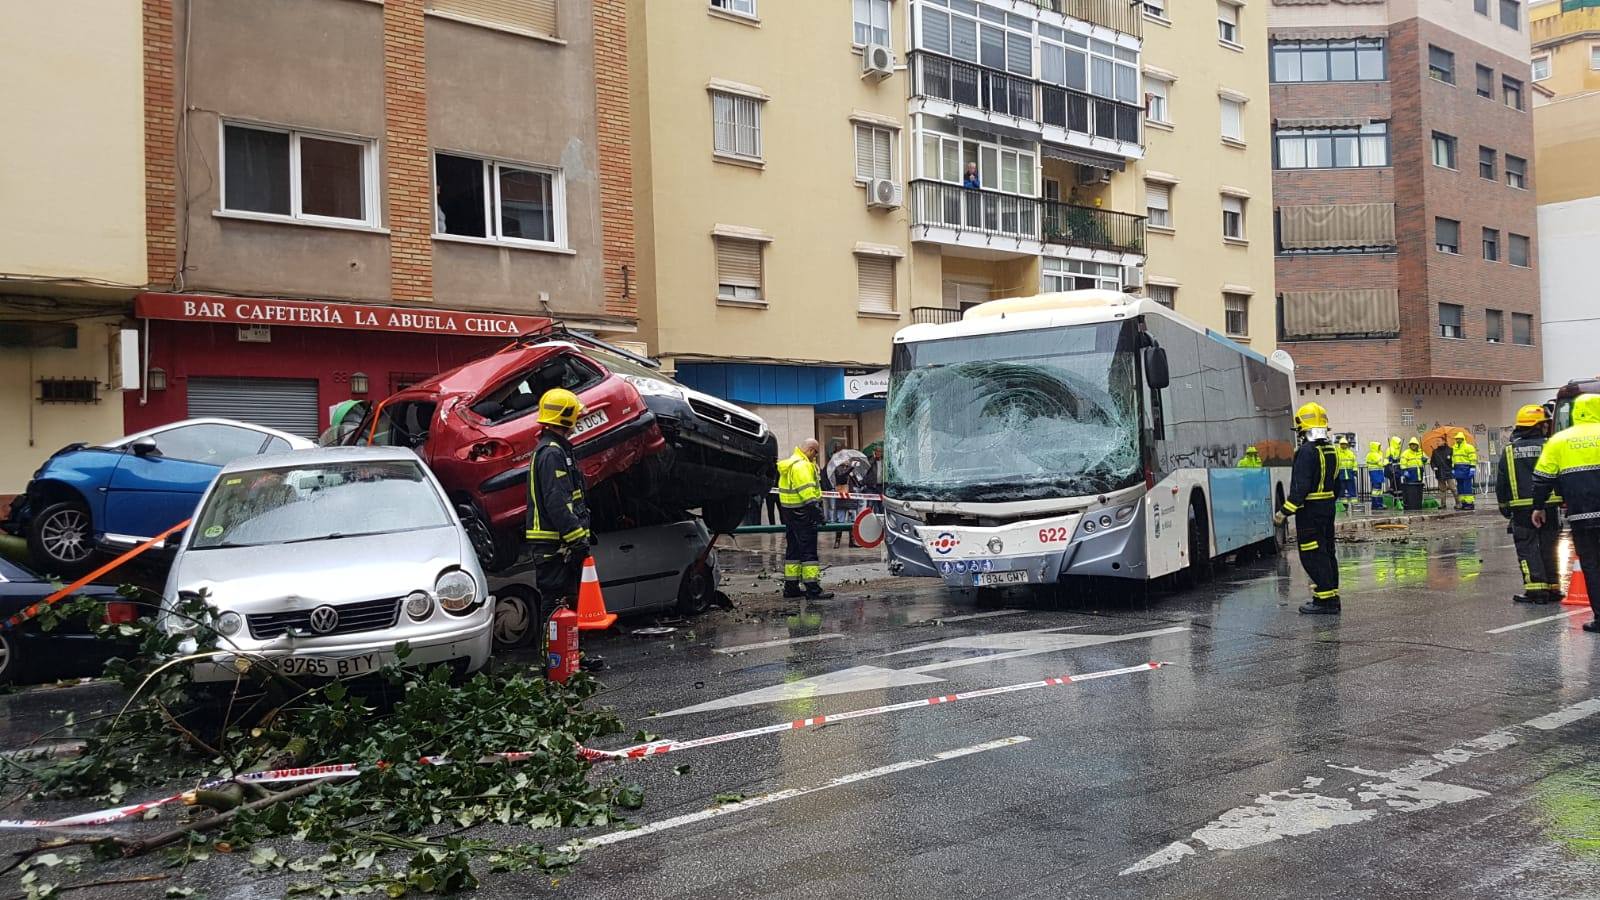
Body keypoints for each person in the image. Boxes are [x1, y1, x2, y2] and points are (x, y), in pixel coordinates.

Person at [1533, 394, 1600, 631]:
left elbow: (1542, 479)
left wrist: (1538, 506)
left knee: (1591, 564)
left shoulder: (1560, 440)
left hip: (1582, 516)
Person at [523, 388, 593, 611]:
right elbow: (557, 502)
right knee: (556, 608)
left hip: (558, 547)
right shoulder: (552, 453)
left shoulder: (555, 450)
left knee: (566, 609)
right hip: (555, 548)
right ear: (566, 416)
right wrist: (577, 539)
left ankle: (565, 647)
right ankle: (551, 647)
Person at [1275, 402, 1341, 615]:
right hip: (1327, 508)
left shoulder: (1305, 452)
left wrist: (1284, 512)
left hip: (1309, 512)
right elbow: (1337, 484)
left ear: (1304, 429)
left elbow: (1300, 487)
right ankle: (1331, 596)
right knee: (1327, 551)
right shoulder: (1332, 450)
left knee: (1313, 554)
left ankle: (1324, 601)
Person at [1498, 405, 1562, 605]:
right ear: (1540, 425)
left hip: (1521, 510)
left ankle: (1536, 591)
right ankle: (1553, 587)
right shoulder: (1550, 445)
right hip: (1550, 506)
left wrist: (1504, 507)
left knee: (1527, 549)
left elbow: (1502, 483)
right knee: (1549, 547)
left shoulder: (1509, 451)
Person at [778, 439, 833, 599]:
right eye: (815, 453)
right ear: (810, 450)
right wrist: (819, 515)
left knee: (793, 552)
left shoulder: (790, 464)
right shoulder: (802, 466)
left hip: (789, 513)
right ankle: (812, 589)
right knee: (808, 553)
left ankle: (791, 587)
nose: (815, 457)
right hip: (803, 515)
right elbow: (808, 496)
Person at [1452, 431, 1479, 510]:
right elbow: (1453, 460)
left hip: (1466, 469)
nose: (1458, 440)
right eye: (1457, 439)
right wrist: (1453, 469)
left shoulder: (1469, 447)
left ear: (1463, 439)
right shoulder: (1453, 448)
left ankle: (1469, 503)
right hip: (1458, 470)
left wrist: (1472, 468)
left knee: (1467, 486)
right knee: (1460, 487)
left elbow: (1473, 458)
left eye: (1459, 439)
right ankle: (1463, 502)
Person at [1431, 441, 1456, 506]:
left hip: (1448, 472)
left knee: (1453, 488)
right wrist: (1434, 467)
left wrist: (1452, 465)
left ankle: (1458, 503)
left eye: (1439, 441)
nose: (1437, 442)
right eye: (1437, 441)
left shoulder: (1450, 450)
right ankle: (1443, 504)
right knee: (1442, 489)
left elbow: (1454, 460)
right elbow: (1432, 461)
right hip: (1439, 472)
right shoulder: (1435, 451)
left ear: (1444, 442)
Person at [1365, 440, 1387, 512]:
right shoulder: (1373, 454)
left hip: (1377, 472)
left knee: (1379, 490)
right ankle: (1376, 504)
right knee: (1376, 489)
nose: (1379, 448)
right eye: (1378, 446)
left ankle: (1379, 504)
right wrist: (1386, 462)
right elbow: (1380, 463)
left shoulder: (1375, 454)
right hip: (1375, 472)